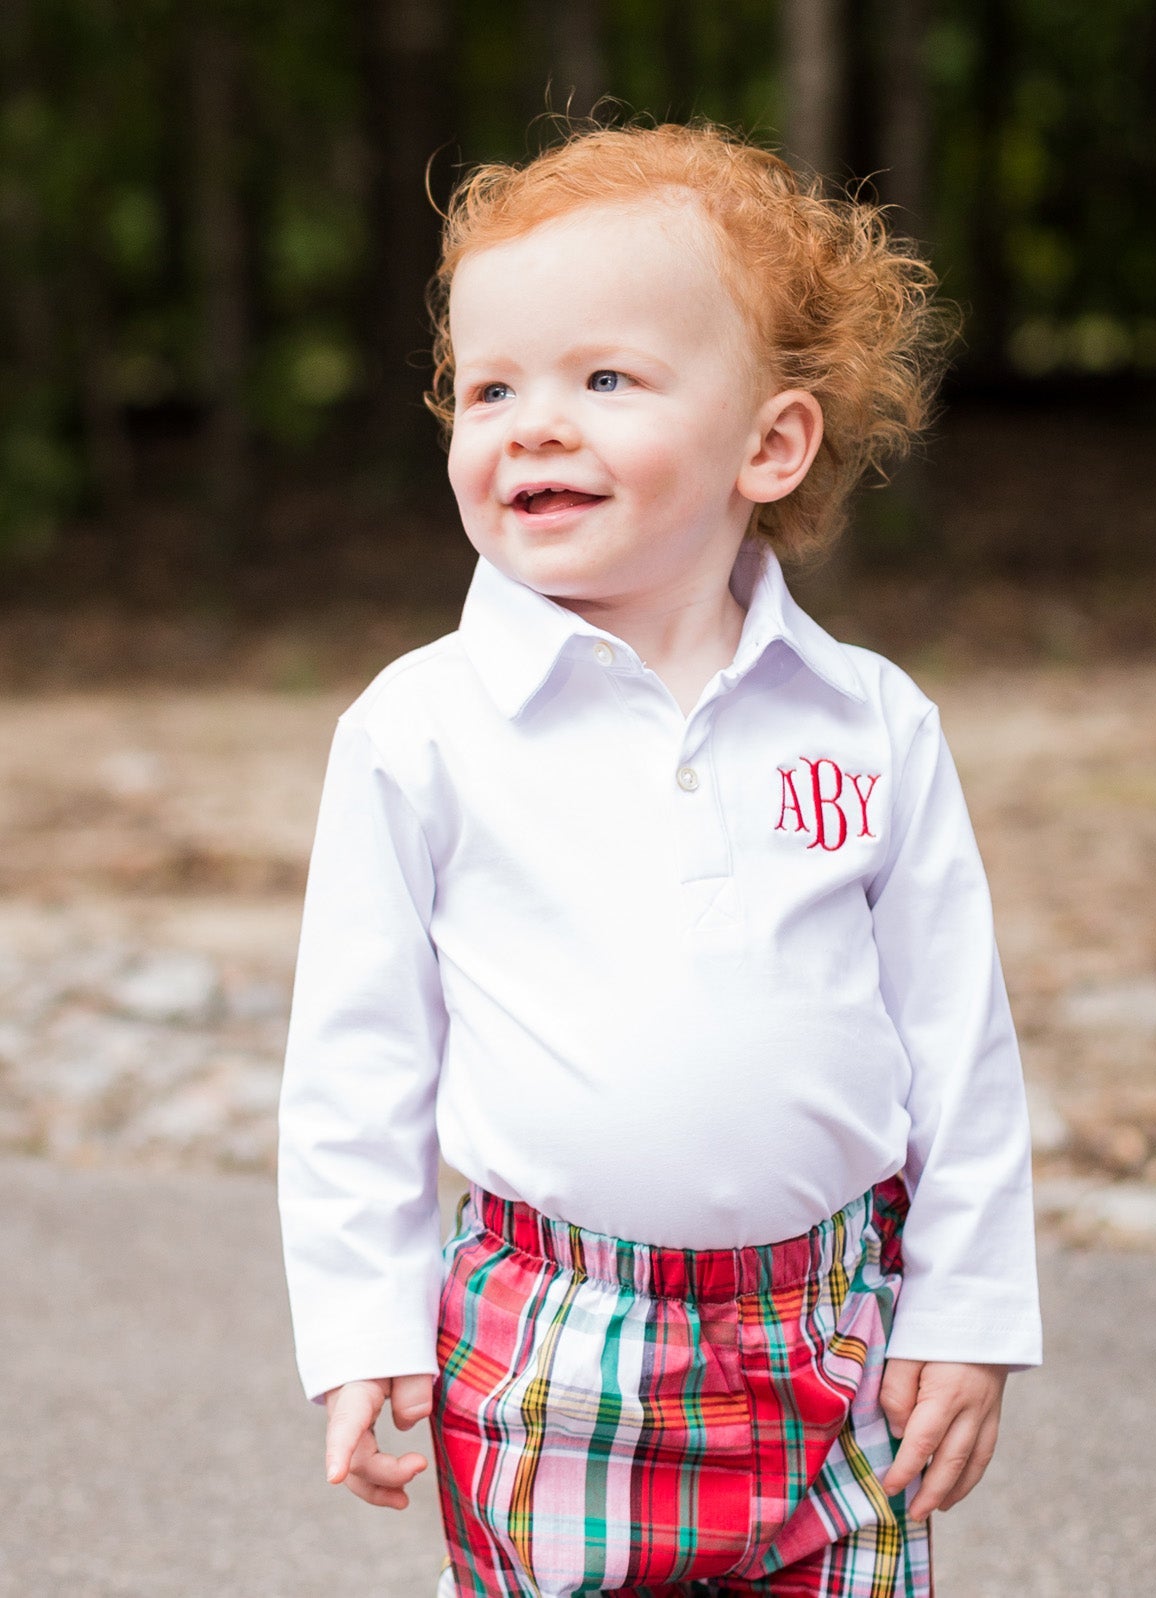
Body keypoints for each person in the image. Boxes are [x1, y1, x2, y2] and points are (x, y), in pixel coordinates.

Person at [277, 119, 1042, 1598]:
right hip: (550, 1336)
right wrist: (360, 1328)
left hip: (836, 1327)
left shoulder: (870, 721)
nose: (532, 425)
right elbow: (356, 1064)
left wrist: (971, 1305)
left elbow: (958, 1041)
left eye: (606, 379)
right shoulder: (421, 729)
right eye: (490, 387)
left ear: (769, 444)